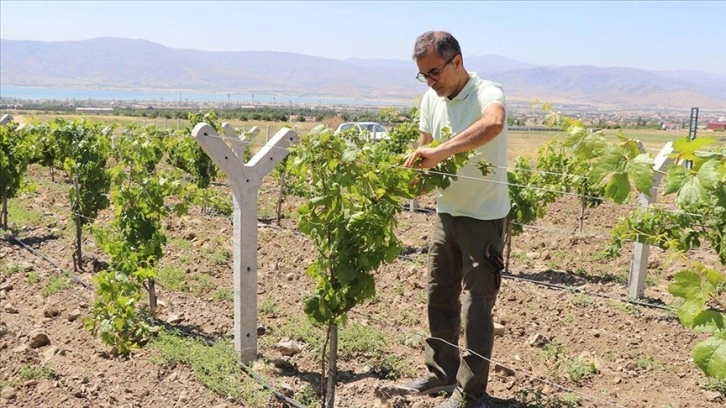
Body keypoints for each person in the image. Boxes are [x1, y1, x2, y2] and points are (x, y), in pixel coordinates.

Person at [400, 31, 510, 408]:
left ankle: (470, 393)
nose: (430, 82)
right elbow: (423, 150)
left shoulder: (487, 93)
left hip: (483, 216)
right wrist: (406, 180)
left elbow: (493, 124)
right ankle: (440, 374)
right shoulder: (431, 99)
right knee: (438, 294)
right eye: (423, 76)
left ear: (456, 61)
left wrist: (439, 152)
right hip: (446, 213)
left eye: (434, 72)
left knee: (476, 306)